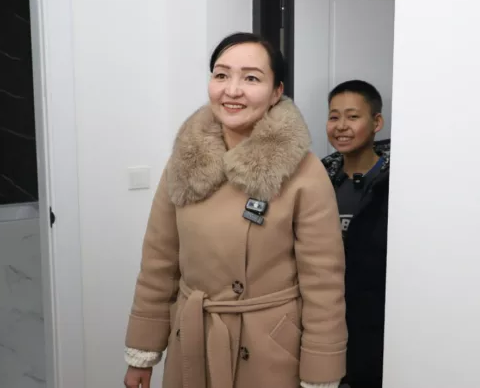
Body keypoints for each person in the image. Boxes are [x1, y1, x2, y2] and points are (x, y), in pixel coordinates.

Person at [123, 32, 347, 388]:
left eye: (251, 78)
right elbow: (158, 263)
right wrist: (143, 351)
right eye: (221, 75)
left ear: (276, 92)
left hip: (269, 349)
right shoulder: (183, 162)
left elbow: (324, 285)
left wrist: (321, 374)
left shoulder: (304, 173)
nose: (232, 90)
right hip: (193, 341)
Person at [322, 80, 390, 388]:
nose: (341, 126)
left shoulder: (395, 183)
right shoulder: (318, 180)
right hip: (327, 316)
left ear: (377, 122)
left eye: (352, 116)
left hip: (376, 323)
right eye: (334, 117)